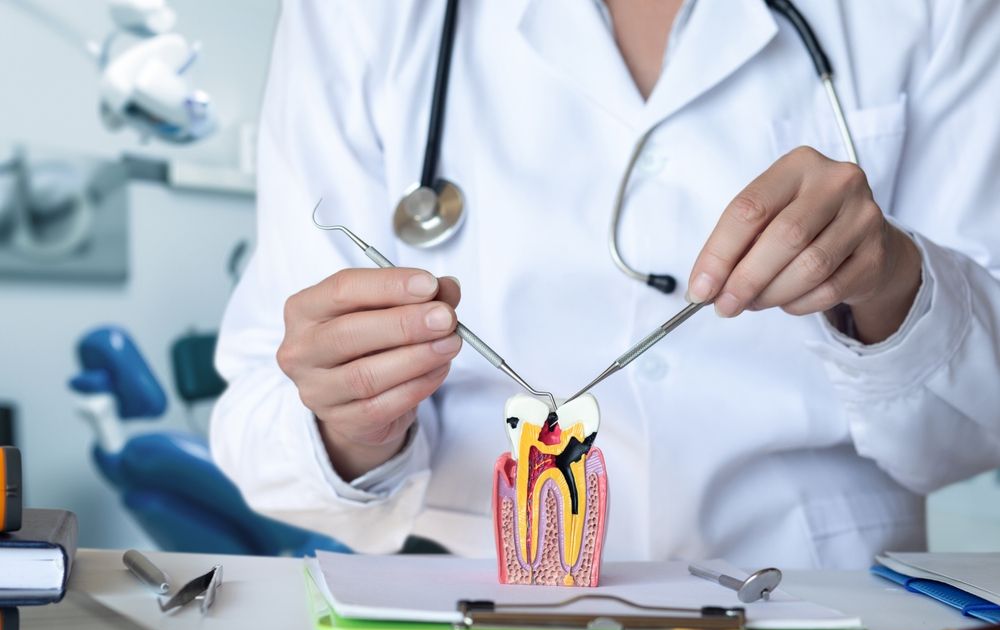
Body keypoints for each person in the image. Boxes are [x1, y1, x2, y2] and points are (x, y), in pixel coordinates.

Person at [211, 0, 1000, 568]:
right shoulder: (361, 17)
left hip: (812, 601)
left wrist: (896, 284)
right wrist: (351, 423)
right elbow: (259, 407)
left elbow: (982, 421)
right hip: (470, 602)